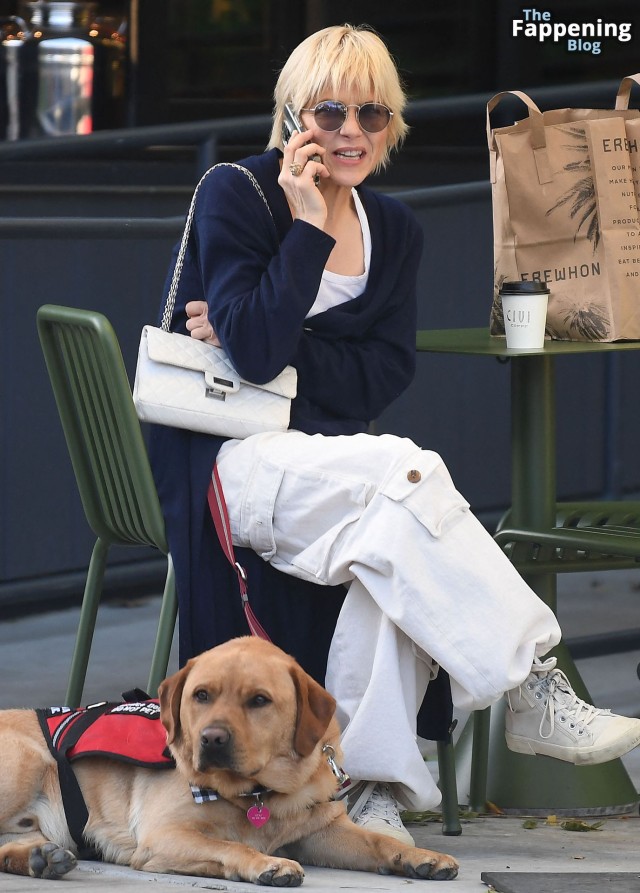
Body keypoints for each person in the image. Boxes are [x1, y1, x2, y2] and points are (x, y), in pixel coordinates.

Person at [149, 23, 640, 846]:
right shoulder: (238, 194)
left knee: (391, 536)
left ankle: (366, 784)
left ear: (392, 123)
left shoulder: (396, 229)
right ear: (292, 116)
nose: (351, 132)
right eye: (330, 112)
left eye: (371, 114)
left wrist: (270, 347)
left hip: (329, 468)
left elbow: (379, 374)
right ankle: (529, 682)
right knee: (405, 470)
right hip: (225, 462)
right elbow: (262, 348)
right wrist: (307, 231)